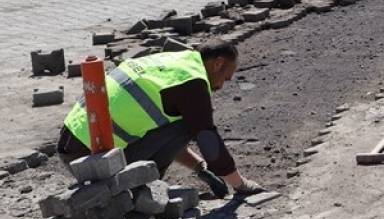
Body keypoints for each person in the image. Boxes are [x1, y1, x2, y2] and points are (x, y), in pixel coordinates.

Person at [57, 39, 265, 198]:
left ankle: (137, 187)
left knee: (185, 121)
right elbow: (206, 138)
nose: (220, 86)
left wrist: (200, 168)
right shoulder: (193, 81)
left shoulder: (173, 62)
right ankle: (138, 190)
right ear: (218, 64)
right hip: (93, 159)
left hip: (73, 146)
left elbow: (163, 136)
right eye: (225, 78)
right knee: (191, 124)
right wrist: (240, 184)